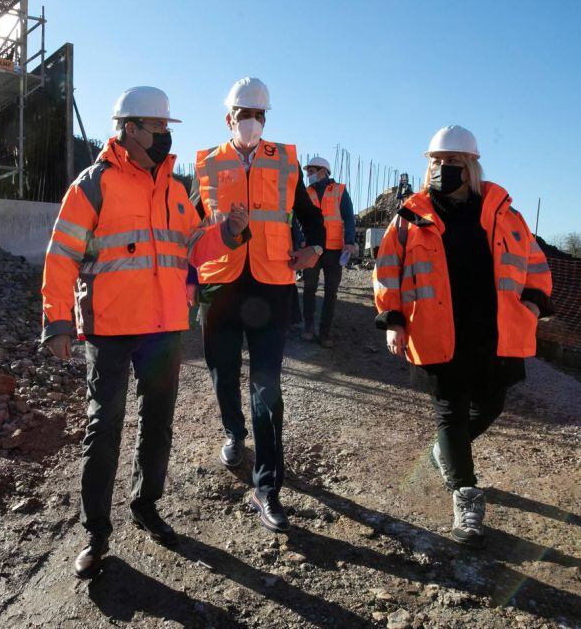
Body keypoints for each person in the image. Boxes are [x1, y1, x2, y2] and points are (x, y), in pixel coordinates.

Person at [41, 86, 249, 578]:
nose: (163, 137)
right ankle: (96, 533)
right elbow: (61, 257)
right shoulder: (92, 185)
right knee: (104, 428)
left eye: (165, 129)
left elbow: (192, 248)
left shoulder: (177, 190)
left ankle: (146, 504)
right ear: (129, 129)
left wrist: (228, 234)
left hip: (163, 328)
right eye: (157, 128)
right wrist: (57, 322)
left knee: (158, 425)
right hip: (109, 328)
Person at [372, 125, 553, 546]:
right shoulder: (409, 217)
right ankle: (466, 496)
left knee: (492, 404)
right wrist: (393, 320)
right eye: (436, 161)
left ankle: (446, 452)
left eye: (453, 162)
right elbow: (386, 271)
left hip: (495, 330)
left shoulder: (506, 213)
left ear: (471, 165)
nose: (443, 168)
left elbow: (535, 262)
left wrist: (533, 301)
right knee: (451, 413)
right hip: (436, 330)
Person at [192, 76, 325, 533]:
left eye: (259, 115)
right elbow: (192, 227)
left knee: (268, 390)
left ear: (266, 119)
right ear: (228, 118)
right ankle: (233, 432)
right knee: (222, 373)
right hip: (220, 289)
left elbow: (310, 217)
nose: (251, 122)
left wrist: (316, 248)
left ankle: (267, 487)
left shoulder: (286, 161)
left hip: (270, 288)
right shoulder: (207, 164)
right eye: (244, 114)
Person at [301, 156, 358, 347]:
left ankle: (325, 333)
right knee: (309, 287)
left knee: (330, 291)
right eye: (307, 172)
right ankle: (308, 327)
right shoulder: (305, 192)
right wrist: (299, 241)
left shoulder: (340, 190)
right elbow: (297, 219)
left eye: (311, 171)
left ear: (323, 171)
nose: (308, 175)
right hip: (311, 248)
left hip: (334, 250)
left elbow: (349, 218)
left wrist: (349, 242)